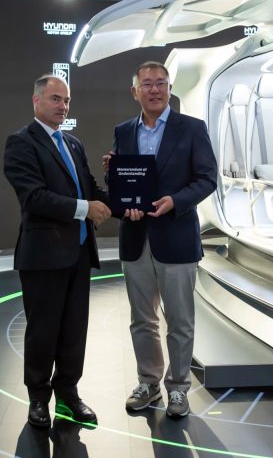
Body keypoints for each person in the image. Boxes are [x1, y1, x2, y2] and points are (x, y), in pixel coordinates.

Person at [103, 61, 217, 418]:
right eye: (147, 84)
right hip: (135, 237)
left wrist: (175, 202)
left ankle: (179, 388)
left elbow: (207, 178)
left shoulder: (192, 128)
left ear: (169, 88)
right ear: (134, 91)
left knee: (180, 320)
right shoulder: (123, 131)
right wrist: (113, 175)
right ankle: (148, 382)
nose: (155, 90)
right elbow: (123, 182)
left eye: (161, 83)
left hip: (176, 236)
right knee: (142, 319)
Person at [4, 74, 111, 428]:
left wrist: (127, 192)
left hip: (78, 254)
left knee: (74, 330)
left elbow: (91, 189)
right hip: (43, 256)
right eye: (55, 99)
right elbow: (34, 198)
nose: (63, 106)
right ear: (36, 101)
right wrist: (85, 209)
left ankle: (68, 392)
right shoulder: (21, 142)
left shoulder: (73, 144)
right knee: (42, 331)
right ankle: (38, 399)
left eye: (66, 100)